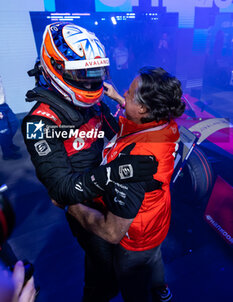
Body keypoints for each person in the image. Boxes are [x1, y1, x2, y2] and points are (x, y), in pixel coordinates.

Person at [21, 22, 157, 301]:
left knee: (115, 266)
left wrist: (124, 104)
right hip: (84, 206)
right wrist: (116, 173)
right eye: (83, 75)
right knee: (104, 270)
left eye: (96, 74)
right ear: (56, 68)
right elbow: (61, 190)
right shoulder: (38, 122)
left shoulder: (94, 102)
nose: (90, 83)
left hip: (109, 195)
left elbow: (115, 131)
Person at [57, 67, 186, 302]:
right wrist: (117, 98)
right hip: (156, 221)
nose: (124, 93)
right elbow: (133, 130)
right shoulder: (164, 124)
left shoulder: (134, 162)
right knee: (154, 257)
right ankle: (161, 289)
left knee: (132, 284)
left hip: (134, 239)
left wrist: (70, 202)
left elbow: (112, 232)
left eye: (129, 92)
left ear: (144, 109)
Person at [0, 75, 21, 160]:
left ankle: (8, 143)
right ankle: (7, 154)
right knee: (4, 132)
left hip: (4, 105)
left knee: (14, 123)